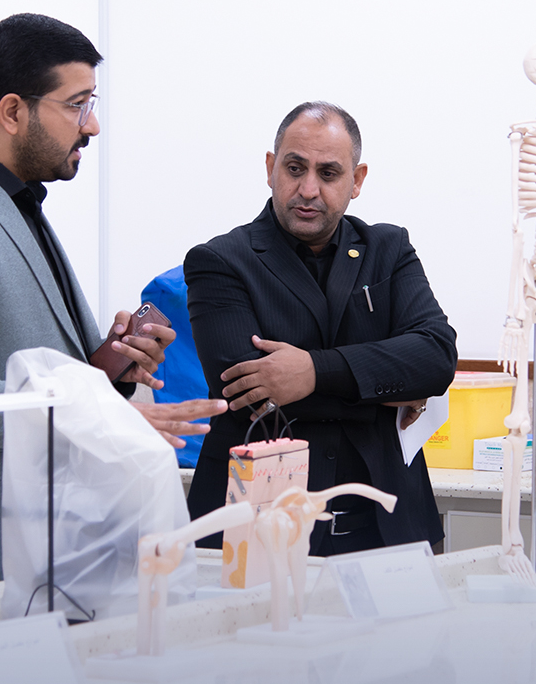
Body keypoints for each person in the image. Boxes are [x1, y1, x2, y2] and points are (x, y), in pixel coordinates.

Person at [0, 13, 220, 587]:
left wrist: (110, 366)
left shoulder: (6, 199)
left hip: (46, 538)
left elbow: (35, 366)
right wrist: (99, 416)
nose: (93, 126)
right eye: (77, 105)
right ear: (13, 112)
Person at [183, 102, 458, 554]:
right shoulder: (220, 261)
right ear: (270, 168)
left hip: (387, 527)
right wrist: (386, 386)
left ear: (357, 180)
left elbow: (436, 358)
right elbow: (249, 392)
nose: (308, 189)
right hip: (261, 526)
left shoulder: (388, 249)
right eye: (295, 168)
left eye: (328, 173)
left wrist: (312, 372)